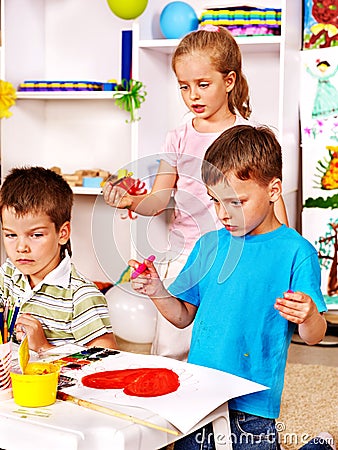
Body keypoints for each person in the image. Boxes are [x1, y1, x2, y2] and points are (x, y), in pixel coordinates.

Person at [129, 125, 332, 450]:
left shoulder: (296, 252)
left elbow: (314, 335)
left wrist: (308, 315)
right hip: (199, 397)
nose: (223, 213)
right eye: (215, 202)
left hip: (252, 404)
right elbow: (183, 317)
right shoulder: (209, 245)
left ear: (273, 190)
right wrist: (157, 289)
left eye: (236, 202)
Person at [103, 25, 288, 361]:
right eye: (184, 87)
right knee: (172, 349)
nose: (194, 96)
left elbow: (272, 201)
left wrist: (283, 253)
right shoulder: (178, 137)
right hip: (185, 255)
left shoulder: (247, 135)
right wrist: (131, 200)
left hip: (237, 255)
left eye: (203, 85)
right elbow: (159, 200)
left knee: (230, 346)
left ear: (228, 81)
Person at [0, 166, 118, 353]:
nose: (21, 248)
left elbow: (106, 360)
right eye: (11, 235)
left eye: (36, 235)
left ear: (62, 234)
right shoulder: (7, 274)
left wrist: (44, 347)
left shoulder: (81, 297)